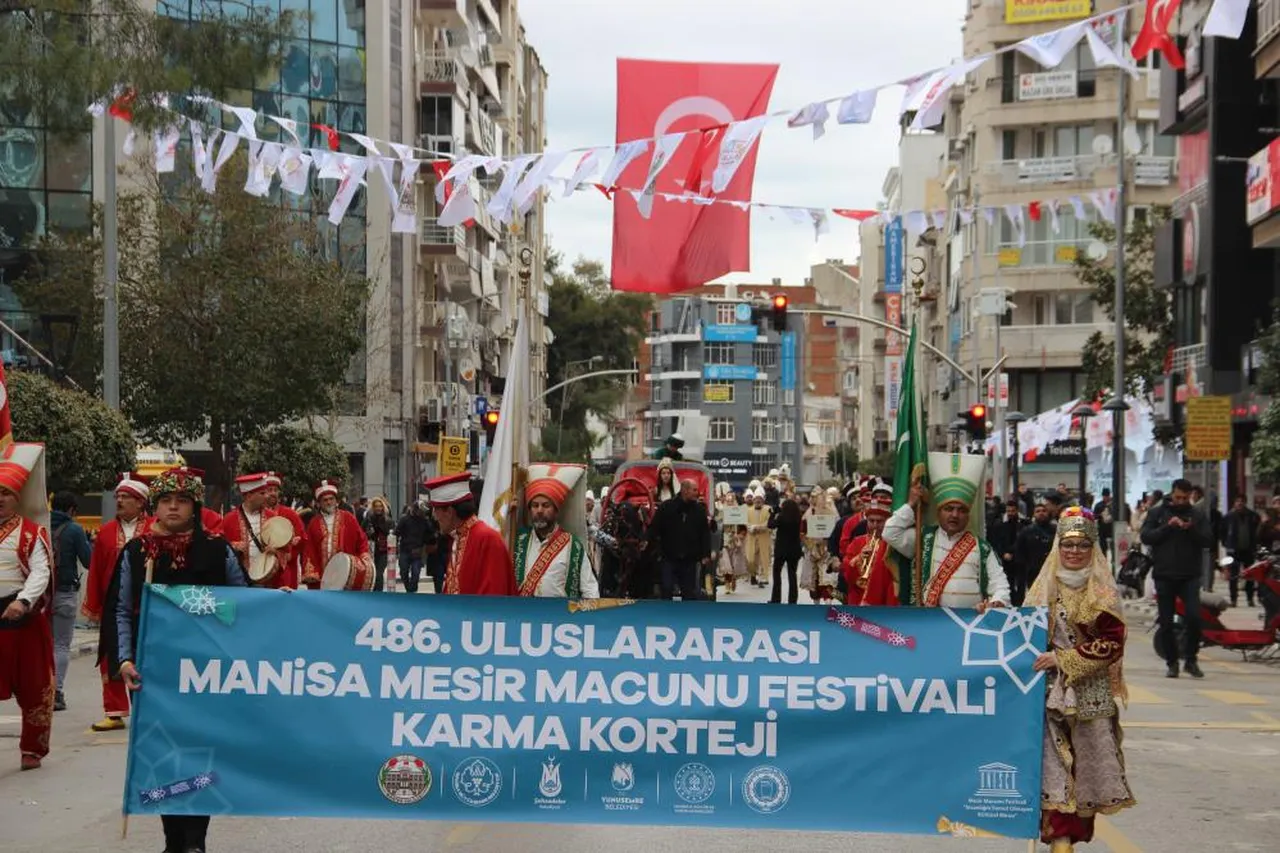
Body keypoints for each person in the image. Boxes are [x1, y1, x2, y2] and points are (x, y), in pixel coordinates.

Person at [111, 466, 246, 853]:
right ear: (156, 506)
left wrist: (277, 601)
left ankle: (196, 840)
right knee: (164, 755)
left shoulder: (217, 550)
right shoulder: (136, 552)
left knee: (200, 755)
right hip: (153, 674)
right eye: (166, 501)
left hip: (206, 673)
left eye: (182, 501)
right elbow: (120, 610)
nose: (173, 508)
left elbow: (244, 605)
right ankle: (172, 838)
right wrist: (124, 661)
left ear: (195, 507)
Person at [1026, 507, 1135, 851]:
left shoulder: (1102, 593)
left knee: (1083, 774)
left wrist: (1064, 659)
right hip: (1045, 695)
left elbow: (1112, 644)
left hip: (1089, 694)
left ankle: (1067, 839)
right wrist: (992, 612)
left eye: (1082, 545)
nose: (1074, 551)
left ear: (1093, 549)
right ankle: (1059, 839)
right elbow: (1021, 630)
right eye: (1068, 544)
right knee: (1050, 767)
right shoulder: (1044, 587)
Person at [882, 452, 1010, 609]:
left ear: (968, 516)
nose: (955, 515)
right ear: (938, 512)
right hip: (931, 624)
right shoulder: (923, 539)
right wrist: (911, 504)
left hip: (968, 626)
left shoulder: (982, 548)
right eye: (949, 509)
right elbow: (890, 532)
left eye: (961, 510)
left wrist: (996, 602)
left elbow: (1001, 586)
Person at [0, 443, 55, 771]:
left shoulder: (33, 533)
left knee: (35, 685)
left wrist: (23, 601)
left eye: (6, 493)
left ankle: (32, 748)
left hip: (20, 616)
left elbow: (41, 571)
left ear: (17, 498)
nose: (0, 498)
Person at [83, 473, 150, 732]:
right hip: (113, 604)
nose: (119, 501)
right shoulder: (107, 531)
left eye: (126, 497)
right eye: (118, 497)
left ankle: (145, 708)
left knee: (143, 655)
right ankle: (114, 711)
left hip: (145, 602)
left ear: (141, 502)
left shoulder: (155, 528)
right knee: (111, 656)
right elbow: (96, 569)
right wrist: (94, 605)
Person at [1142, 478, 1213, 679]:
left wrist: (1191, 529)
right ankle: (1172, 662)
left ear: (1190, 496)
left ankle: (1191, 659)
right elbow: (1146, 536)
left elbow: (1208, 540)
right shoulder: (1157, 513)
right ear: (1172, 494)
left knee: (1194, 617)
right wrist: (1167, 527)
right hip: (1164, 574)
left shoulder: (1197, 515)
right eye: (1177, 497)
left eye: (1185, 497)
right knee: (1166, 622)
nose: (1180, 501)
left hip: (1189, 575)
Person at [513, 464, 599, 599]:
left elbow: (590, 590)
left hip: (560, 618)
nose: (540, 510)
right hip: (524, 618)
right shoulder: (518, 542)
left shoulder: (573, 546)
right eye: (535, 505)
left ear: (556, 510)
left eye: (546, 505)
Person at [425, 472, 516, 595]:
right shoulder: (456, 538)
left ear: (450, 512)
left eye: (436, 510)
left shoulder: (487, 539)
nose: (434, 517)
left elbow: (494, 597)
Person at [48, 491, 91, 712]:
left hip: (38, 596)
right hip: (64, 593)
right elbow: (89, 560)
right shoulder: (74, 530)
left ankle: (40, 690)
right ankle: (57, 692)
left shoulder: (38, 525)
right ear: (72, 510)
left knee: (42, 645)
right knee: (61, 644)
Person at [221, 472, 297, 590]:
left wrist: (275, 551)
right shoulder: (228, 520)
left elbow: (287, 551)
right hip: (240, 583)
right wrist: (234, 547)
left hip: (269, 582)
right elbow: (220, 549)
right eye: (262, 493)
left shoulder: (272, 517)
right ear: (249, 496)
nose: (267, 496)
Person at [647, 479, 711, 601]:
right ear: (685, 490)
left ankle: (686, 618)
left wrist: (705, 554)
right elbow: (654, 528)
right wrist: (645, 541)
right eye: (694, 490)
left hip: (689, 559)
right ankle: (666, 616)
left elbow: (705, 534)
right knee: (666, 588)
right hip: (669, 557)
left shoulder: (699, 510)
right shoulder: (666, 507)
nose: (697, 493)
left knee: (688, 591)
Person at [303, 479, 373, 589]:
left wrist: (364, 557)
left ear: (337, 501)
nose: (329, 502)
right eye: (325, 500)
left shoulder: (348, 518)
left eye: (331, 499)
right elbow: (309, 550)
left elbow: (362, 539)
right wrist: (312, 573)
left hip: (346, 574)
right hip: (322, 575)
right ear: (319, 503)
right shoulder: (313, 523)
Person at [843, 483, 895, 605]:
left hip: (885, 600)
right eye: (871, 521)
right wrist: (859, 558)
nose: (875, 525)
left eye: (880, 521)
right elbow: (846, 573)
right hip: (858, 598)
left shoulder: (893, 544)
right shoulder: (857, 542)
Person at [262, 471, 307, 586]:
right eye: (269, 490)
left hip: (285, 571)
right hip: (261, 567)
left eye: (275, 490)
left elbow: (302, 539)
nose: (273, 493)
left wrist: (288, 546)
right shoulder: (258, 513)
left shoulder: (290, 514)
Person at [1015, 501, 1057, 601]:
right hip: (1032, 571)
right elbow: (1019, 552)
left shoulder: (1055, 530)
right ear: (1034, 514)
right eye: (1038, 511)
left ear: (1048, 513)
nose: (1041, 513)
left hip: (1052, 570)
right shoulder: (1026, 531)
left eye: (1044, 511)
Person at [1224, 494, 1260, 608]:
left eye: (1242, 501)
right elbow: (1222, 531)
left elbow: (1257, 532)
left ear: (1245, 502)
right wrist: (1226, 543)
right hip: (1233, 551)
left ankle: (1250, 599)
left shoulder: (1253, 516)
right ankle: (1233, 599)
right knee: (1233, 576)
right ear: (1234, 503)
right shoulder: (1228, 516)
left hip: (1248, 550)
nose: (1239, 503)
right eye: (1237, 501)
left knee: (1250, 576)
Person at [768, 495, 803, 604]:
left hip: (781, 550)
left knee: (776, 574)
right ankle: (792, 600)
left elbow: (770, 525)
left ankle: (776, 598)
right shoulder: (798, 518)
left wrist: (772, 514)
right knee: (792, 575)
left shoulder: (781, 517)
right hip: (794, 550)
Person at [990, 499, 1025, 606]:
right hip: (1005, 559)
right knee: (1008, 583)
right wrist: (1003, 554)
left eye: (1013, 511)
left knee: (1021, 584)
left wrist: (1013, 553)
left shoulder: (1023, 524)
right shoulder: (999, 524)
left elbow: (1022, 542)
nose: (1010, 513)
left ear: (1017, 511)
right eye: (1008, 511)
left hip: (1020, 559)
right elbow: (995, 542)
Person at [393, 501, 434, 594]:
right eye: (421, 511)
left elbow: (430, 534)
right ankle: (409, 589)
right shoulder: (404, 519)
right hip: (405, 550)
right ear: (415, 510)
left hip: (417, 551)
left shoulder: (424, 521)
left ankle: (412, 590)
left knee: (416, 573)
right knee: (403, 571)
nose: (423, 513)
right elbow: (397, 532)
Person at [362, 497, 393, 591]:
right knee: (372, 573)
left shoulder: (388, 520)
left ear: (383, 507)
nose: (378, 508)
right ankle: (373, 592)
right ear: (373, 507)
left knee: (379, 573)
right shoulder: (368, 519)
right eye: (376, 506)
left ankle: (378, 593)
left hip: (383, 550)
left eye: (380, 506)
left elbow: (392, 534)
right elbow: (361, 531)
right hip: (371, 550)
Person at [744, 489, 772, 587]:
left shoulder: (768, 509)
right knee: (750, 558)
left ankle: (763, 578)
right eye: (756, 499)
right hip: (751, 538)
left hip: (764, 538)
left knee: (763, 559)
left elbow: (769, 522)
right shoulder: (748, 510)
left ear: (763, 500)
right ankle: (753, 574)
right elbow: (745, 522)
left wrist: (757, 527)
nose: (757, 501)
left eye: (760, 499)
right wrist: (750, 527)